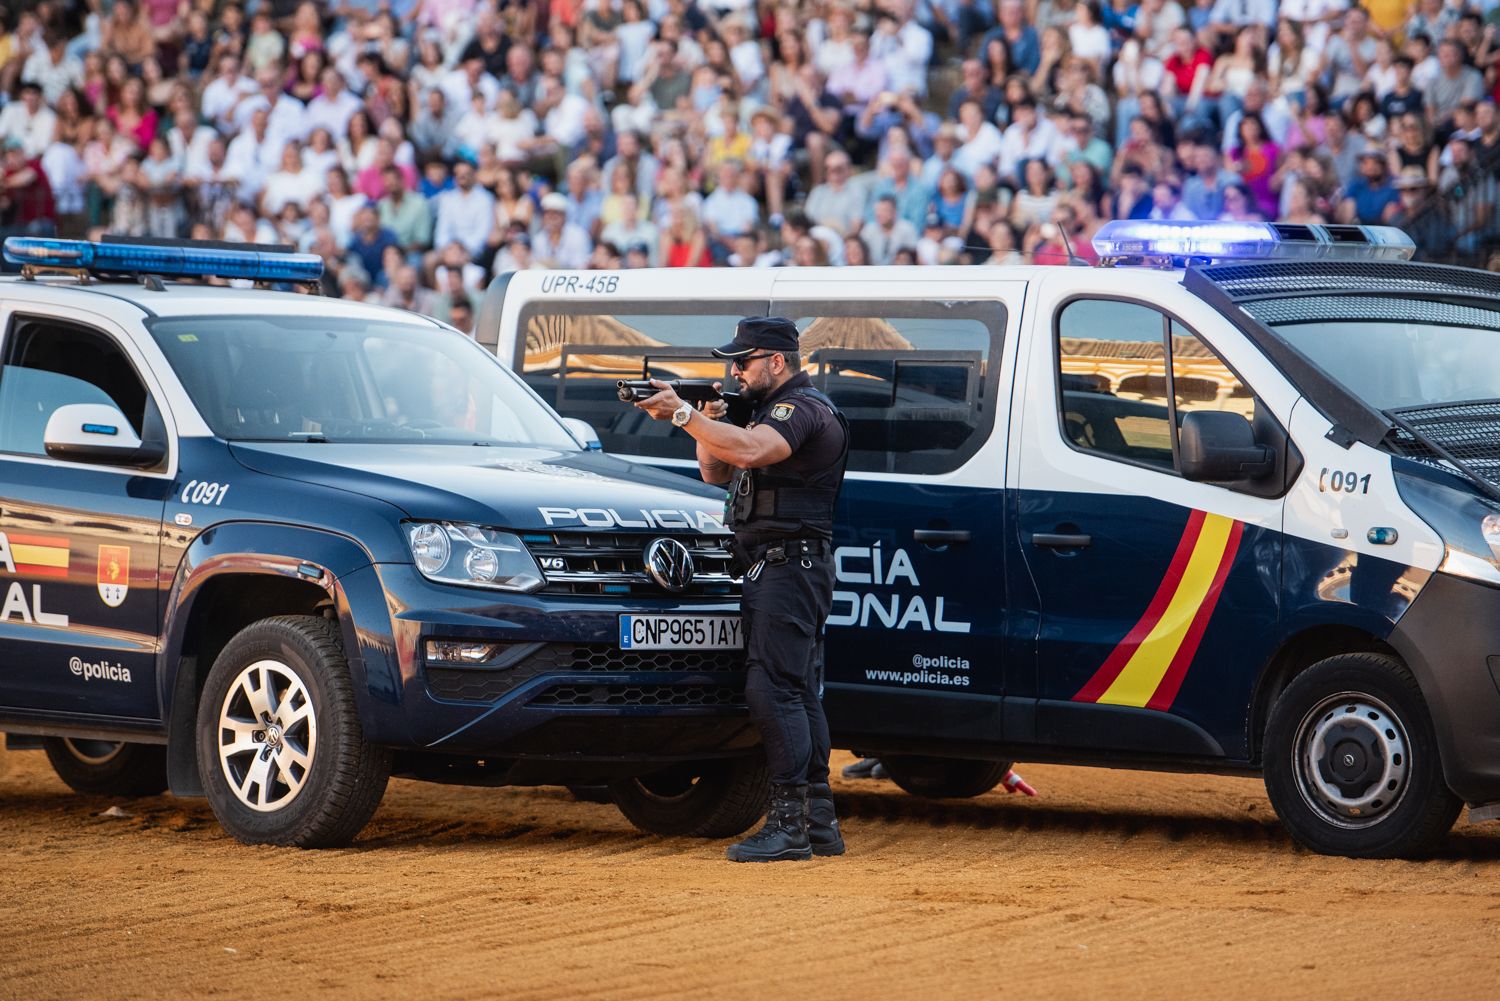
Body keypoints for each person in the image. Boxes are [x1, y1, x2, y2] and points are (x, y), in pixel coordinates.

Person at [634, 317, 850, 863]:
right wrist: (708, 419)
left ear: (777, 361)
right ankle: (817, 821)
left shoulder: (798, 409)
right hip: (778, 567)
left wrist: (681, 413)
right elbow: (717, 472)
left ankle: (788, 825)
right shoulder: (764, 412)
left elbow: (752, 453)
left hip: (790, 567)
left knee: (772, 689)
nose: (734, 371)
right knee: (796, 687)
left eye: (743, 361)